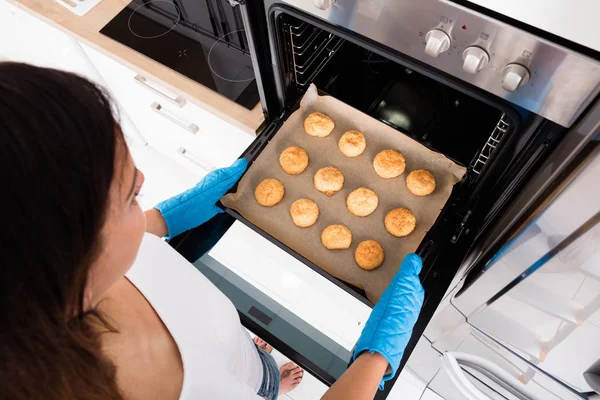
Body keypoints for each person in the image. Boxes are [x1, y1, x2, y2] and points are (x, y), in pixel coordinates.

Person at [0, 62, 423, 400]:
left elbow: (131, 249)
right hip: (232, 383)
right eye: (128, 196)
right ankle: (271, 385)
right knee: (260, 383)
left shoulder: (65, 278)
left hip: (229, 344)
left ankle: (262, 369)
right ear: (60, 257)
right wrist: (376, 359)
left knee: (248, 359)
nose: (144, 178)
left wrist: (161, 220)